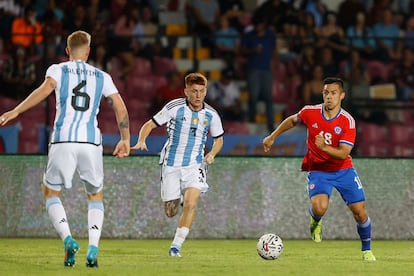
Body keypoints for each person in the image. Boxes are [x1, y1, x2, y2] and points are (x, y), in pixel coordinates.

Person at [0, 30, 131, 267]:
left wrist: (16, 111)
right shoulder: (102, 76)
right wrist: (125, 139)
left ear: (67, 51)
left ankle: (68, 239)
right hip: (91, 143)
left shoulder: (57, 70)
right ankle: (93, 248)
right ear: (89, 51)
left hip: (63, 140)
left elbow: (44, 90)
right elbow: (120, 108)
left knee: (51, 192)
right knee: (95, 196)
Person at [262, 77, 376, 261]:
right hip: (318, 170)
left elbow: (343, 153)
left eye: (333, 93)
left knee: (360, 212)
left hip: (343, 170)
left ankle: (366, 250)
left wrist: (323, 147)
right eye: (326, 93)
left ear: (342, 96)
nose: (329, 97)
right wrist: (272, 136)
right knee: (320, 207)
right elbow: (292, 120)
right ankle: (315, 220)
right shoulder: (310, 112)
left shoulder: (348, 121)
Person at [131, 72, 224, 257]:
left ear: (205, 92)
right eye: (194, 91)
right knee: (171, 211)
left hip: (195, 165)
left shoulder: (212, 114)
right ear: (186, 92)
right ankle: (177, 200)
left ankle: (176, 247)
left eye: (201, 91)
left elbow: (219, 139)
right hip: (171, 163)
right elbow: (149, 124)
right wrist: (141, 140)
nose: (198, 95)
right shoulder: (174, 107)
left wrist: (212, 153)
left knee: (191, 204)